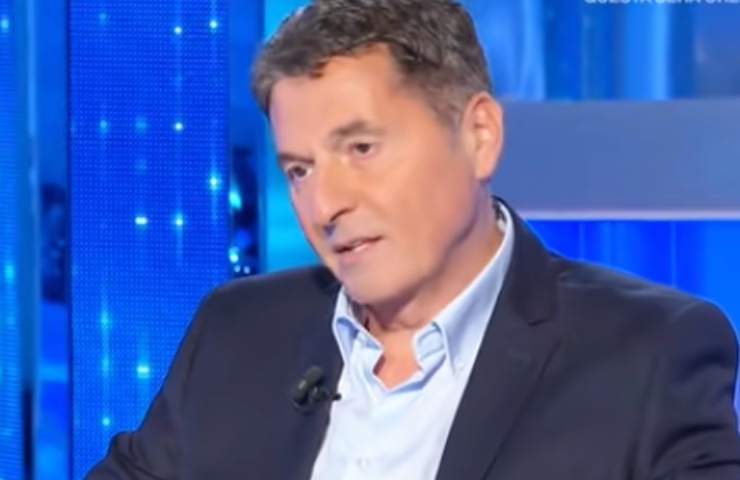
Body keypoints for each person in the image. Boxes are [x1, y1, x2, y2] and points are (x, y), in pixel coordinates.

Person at [87, 0, 740, 478]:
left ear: (479, 136)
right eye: (300, 170)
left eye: (361, 148)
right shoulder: (235, 332)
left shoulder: (649, 353)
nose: (326, 205)